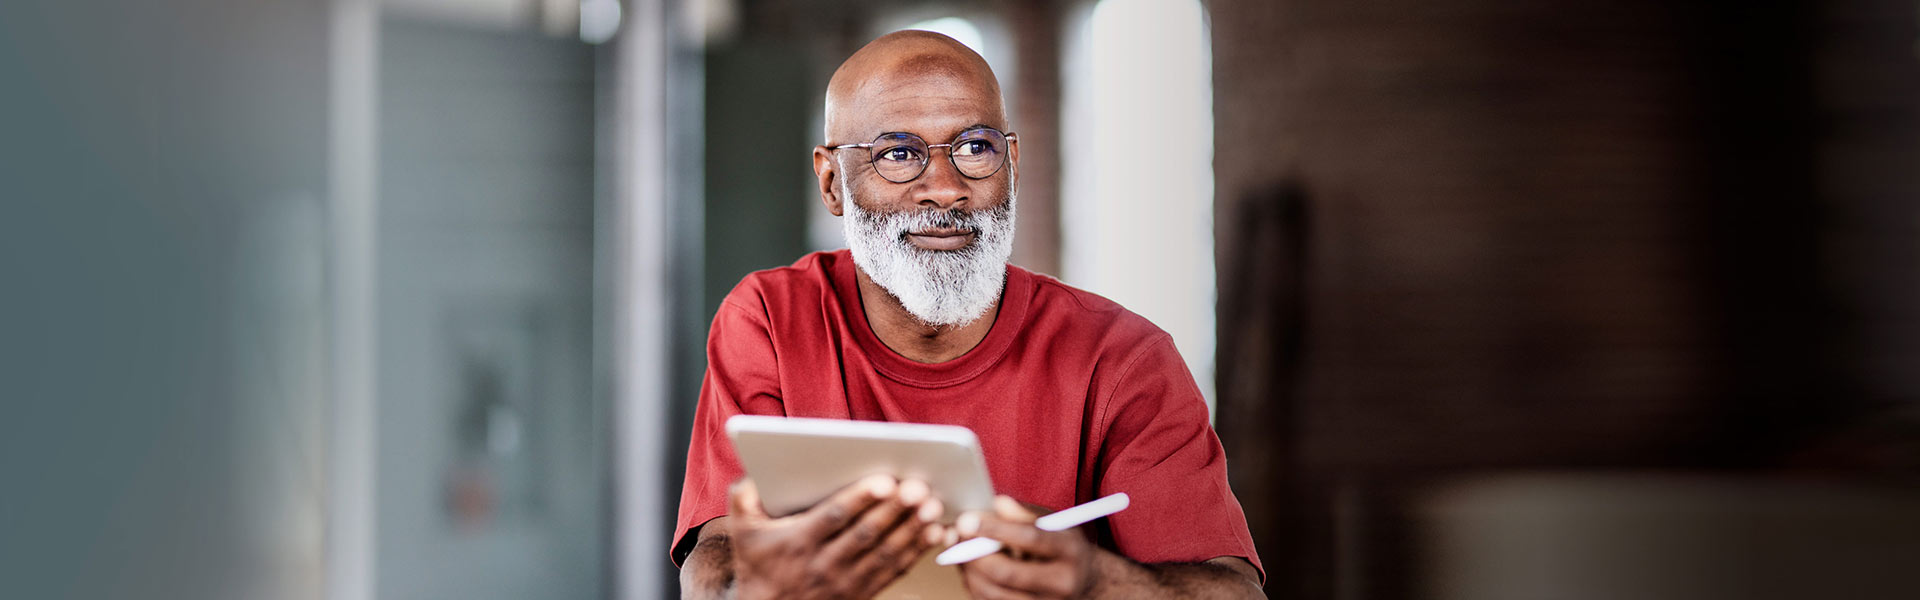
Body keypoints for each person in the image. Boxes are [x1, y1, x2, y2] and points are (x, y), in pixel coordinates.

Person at [674, 30, 1264, 599]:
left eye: (975, 147)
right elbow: (714, 564)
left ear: (1011, 162)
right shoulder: (772, 320)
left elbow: (1233, 590)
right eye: (899, 154)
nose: (945, 188)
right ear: (832, 183)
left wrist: (1096, 584)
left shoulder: (1124, 358)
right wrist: (759, 588)